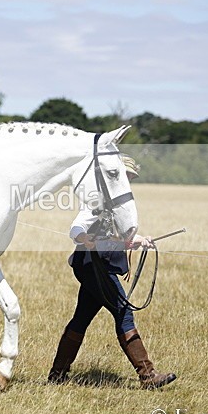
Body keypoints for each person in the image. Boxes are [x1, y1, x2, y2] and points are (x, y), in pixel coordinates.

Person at [47, 156, 176, 389]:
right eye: (125, 176)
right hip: (93, 265)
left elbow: (117, 237)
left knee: (82, 318)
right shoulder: (97, 201)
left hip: (97, 267)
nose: (127, 181)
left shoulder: (117, 205)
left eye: (130, 178)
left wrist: (138, 240)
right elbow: (76, 227)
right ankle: (147, 376)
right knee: (124, 312)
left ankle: (57, 375)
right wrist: (83, 237)